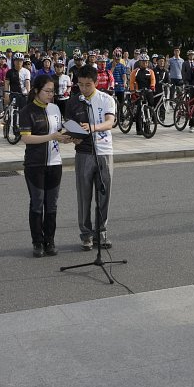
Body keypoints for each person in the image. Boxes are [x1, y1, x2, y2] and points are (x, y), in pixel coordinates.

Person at [64, 65, 117, 251]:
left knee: (104, 194)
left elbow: (110, 122)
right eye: (80, 85)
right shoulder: (73, 102)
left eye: (88, 85)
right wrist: (72, 138)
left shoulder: (106, 99)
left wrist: (92, 127)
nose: (84, 89)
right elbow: (69, 127)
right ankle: (86, 235)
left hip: (103, 151)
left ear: (95, 83)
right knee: (84, 196)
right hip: (83, 153)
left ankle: (101, 233)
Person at [20, 75, 72, 257]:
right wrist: (51, 137)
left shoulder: (56, 108)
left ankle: (50, 240)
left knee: (52, 205)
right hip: (35, 164)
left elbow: (57, 132)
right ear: (36, 90)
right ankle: (37, 242)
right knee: (37, 203)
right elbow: (26, 138)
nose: (51, 95)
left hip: (55, 162)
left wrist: (66, 138)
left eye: (53, 91)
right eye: (48, 91)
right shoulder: (27, 111)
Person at [129, 54, 156, 135]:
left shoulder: (150, 71)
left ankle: (147, 127)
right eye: (143, 62)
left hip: (148, 91)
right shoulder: (135, 71)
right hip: (138, 91)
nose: (145, 64)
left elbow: (153, 80)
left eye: (146, 62)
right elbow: (131, 82)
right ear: (140, 62)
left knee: (149, 108)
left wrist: (152, 86)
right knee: (139, 110)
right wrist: (133, 92)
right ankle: (139, 129)